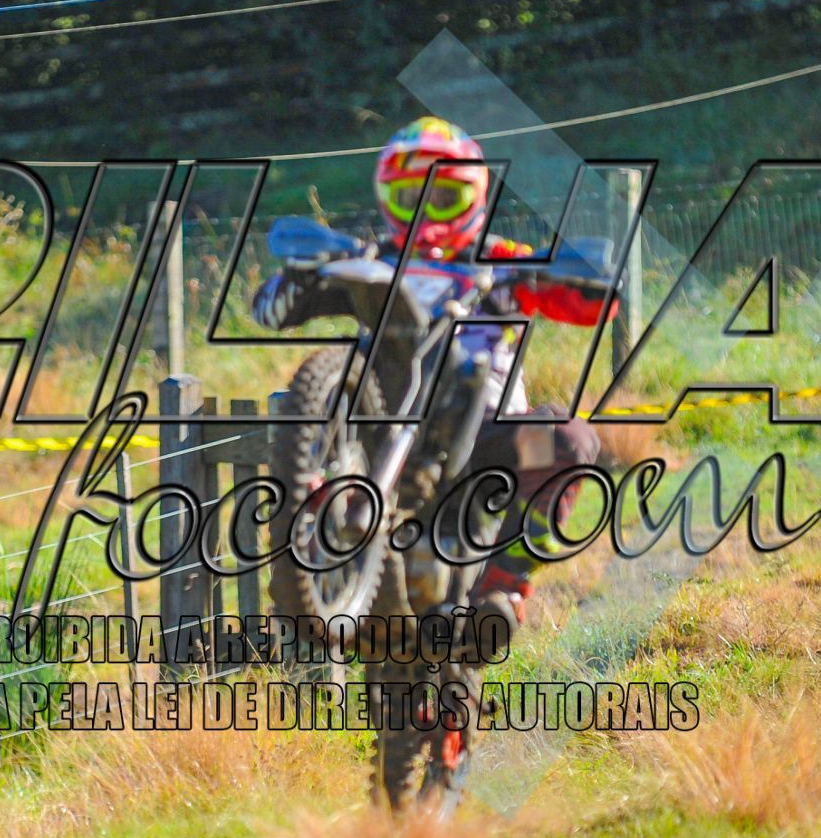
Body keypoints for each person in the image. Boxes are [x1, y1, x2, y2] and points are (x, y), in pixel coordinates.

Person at [252, 115, 614, 635]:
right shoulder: (372, 262)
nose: (426, 214)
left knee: (568, 440)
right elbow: (268, 309)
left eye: (442, 199)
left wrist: (578, 277)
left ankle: (504, 581)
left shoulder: (501, 261)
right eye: (411, 199)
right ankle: (312, 521)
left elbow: (590, 304)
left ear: (472, 198)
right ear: (389, 201)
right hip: (381, 424)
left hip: (486, 434)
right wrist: (299, 277)